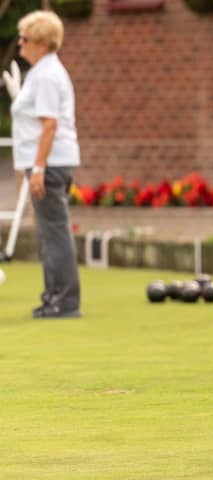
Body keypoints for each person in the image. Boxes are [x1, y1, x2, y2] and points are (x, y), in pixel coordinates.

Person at [7, 10, 81, 318]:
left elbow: (49, 125)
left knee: (55, 231)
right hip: (46, 162)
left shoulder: (48, 75)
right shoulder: (40, 73)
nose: (20, 44)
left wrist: (38, 169)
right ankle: (54, 296)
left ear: (41, 42)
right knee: (48, 233)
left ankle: (64, 301)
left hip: (49, 163)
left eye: (24, 39)